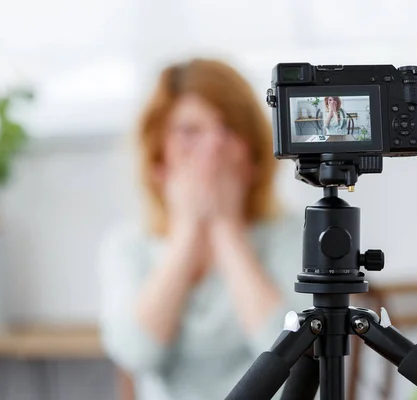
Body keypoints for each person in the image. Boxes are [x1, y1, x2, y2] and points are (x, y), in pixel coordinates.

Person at [97, 58, 308, 400]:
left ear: (253, 157)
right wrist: (189, 228)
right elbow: (136, 352)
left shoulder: (291, 234)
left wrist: (226, 227)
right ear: (158, 160)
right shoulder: (128, 246)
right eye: (190, 131)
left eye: (228, 129)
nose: (213, 148)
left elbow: (296, 353)